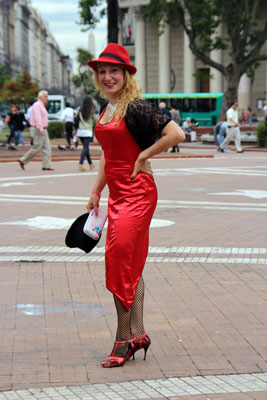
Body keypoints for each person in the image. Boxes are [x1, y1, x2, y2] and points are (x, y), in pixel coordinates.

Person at [86, 43, 185, 368]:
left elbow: (176, 134)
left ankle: (123, 339)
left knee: (118, 265)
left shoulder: (136, 107)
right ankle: (139, 333)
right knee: (128, 265)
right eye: (103, 72)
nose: (108, 77)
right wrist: (97, 191)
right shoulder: (107, 108)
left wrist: (143, 155)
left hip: (138, 194)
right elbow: (107, 154)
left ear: (127, 75)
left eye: (114, 71)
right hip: (116, 196)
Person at [18, 90, 54, 170]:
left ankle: (46, 166)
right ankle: (23, 160)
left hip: (44, 129)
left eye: (47, 96)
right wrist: (41, 128)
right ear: (40, 97)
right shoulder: (37, 105)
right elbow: (38, 118)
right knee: (37, 148)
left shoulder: (42, 105)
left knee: (47, 148)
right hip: (38, 129)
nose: (47, 98)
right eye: (45, 96)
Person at [76, 96, 97, 171]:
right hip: (87, 131)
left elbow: (75, 117)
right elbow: (97, 120)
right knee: (85, 148)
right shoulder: (91, 110)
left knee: (86, 148)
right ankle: (80, 164)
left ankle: (91, 163)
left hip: (80, 131)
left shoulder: (79, 109)